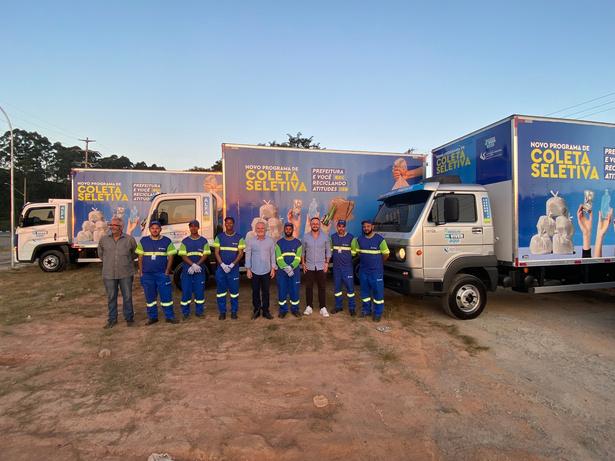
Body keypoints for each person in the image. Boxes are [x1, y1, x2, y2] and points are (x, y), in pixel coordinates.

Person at [136, 221, 178, 325]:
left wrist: (167, 271)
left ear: (160, 229)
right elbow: (140, 257)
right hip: (147, 275)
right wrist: (141, 272)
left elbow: (171, 257)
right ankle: (152, 317)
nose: (155, 230)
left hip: (162, 274)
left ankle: (169, 316)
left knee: (166, 296)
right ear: (149, 229)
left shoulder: (167, 241)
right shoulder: (144, 241)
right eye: (152, 228)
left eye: (157, 228)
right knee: (150, 298)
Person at [98, 217, 137, 328]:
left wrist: (124, 261)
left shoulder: (130, 239)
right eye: (111, 225)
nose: (112, 227)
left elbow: (134, 254)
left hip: (126, 273)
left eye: (115, 225)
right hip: (109, 274)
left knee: (127, 297)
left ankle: (129, 318)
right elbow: (101, 255)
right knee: (111, 297)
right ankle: (112, 319)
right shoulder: (103, 240)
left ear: (121, 227)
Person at [352, 219, 390, 321]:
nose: (366, 228)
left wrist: (378, 262)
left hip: (376, 271)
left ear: (372, 227)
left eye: (368, 226)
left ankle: (378, 313)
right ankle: (366, 310)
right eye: (364, 227)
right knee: (365, 292)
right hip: (363, 271)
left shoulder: (380, 239)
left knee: (378, 292)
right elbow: (358, 253)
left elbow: (386, 254)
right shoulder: (359, 240)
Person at [211, 216, 245, 320]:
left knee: (234, 292)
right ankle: (222, 312)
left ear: (233, 224)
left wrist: (232, 265)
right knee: (221, 292)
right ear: (225, 224)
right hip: (221, 269)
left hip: (233, 269)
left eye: (230, 223)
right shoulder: (219, 237)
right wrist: (222, 264)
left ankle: (234, 312)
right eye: (227, 223)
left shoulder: (239, 238)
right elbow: (216, 252)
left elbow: (240, 254)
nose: (229, 224)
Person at [177, 220, 211, 319]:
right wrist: (192, 265)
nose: (193, 228)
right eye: (191, 226)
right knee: (186, 292)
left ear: (198, 227)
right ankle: (185, 313)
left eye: (195, 226)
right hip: (187, 270)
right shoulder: (185, 241)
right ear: (189, 228)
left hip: (199, 270)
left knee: (199, 292)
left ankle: (199, 312)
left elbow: (205, 254)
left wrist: (197, 265)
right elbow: (183, 255)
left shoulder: (204, 241)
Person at [245, 221, 276, 320]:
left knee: (266, 292)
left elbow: (273, 255)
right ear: (255, 229)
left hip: (266, 271)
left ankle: (266, 311)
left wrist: (273, 268)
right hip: (254, 271)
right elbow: (248, 255)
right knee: (255, 292)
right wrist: (248, 269)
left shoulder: (270, 241)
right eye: (258, 228)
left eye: (262, 228)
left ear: (265, 229)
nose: (260, 230)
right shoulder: (251, 241)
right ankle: (257, 310)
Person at [301, 216, 332, 317]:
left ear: (319, 225)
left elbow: (328, 251)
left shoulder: (325, 237)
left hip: (321, 266)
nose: (315, 225)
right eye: (313, 223)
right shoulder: (305, 237)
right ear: (310, 225)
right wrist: (303, 263)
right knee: (308, 287)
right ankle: (309, 307)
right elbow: (302, 252)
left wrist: (327, 263)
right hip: (309, 266)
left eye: (317, 224)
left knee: (322, 287)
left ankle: (323, 307)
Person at [275, 222, 302, 318]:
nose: (288, 231)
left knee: (294, 290)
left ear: (292, 230)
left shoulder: (298, 243)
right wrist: (287, 268)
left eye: (290, 229)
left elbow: (298, 258)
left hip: (294, 272)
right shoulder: (279, 243)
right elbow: (279, 258)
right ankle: (283, 310)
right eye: (286, 229)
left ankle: (295, 309)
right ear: (284, 230)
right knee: (282, 290)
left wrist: (291, 267)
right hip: (282, 272)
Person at [330, 220, 356, 315]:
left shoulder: (351, 238)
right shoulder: (333, 237)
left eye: (343, 226)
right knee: (337, 289)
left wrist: (345, 256)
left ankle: (352, 308)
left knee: (350, 289)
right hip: (336, 268)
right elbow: (331, 250)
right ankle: (338, 307)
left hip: (347, 268)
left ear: (345, 227)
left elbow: (354, 252)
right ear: (337, 227)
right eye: (339, 226)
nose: (341, 228)